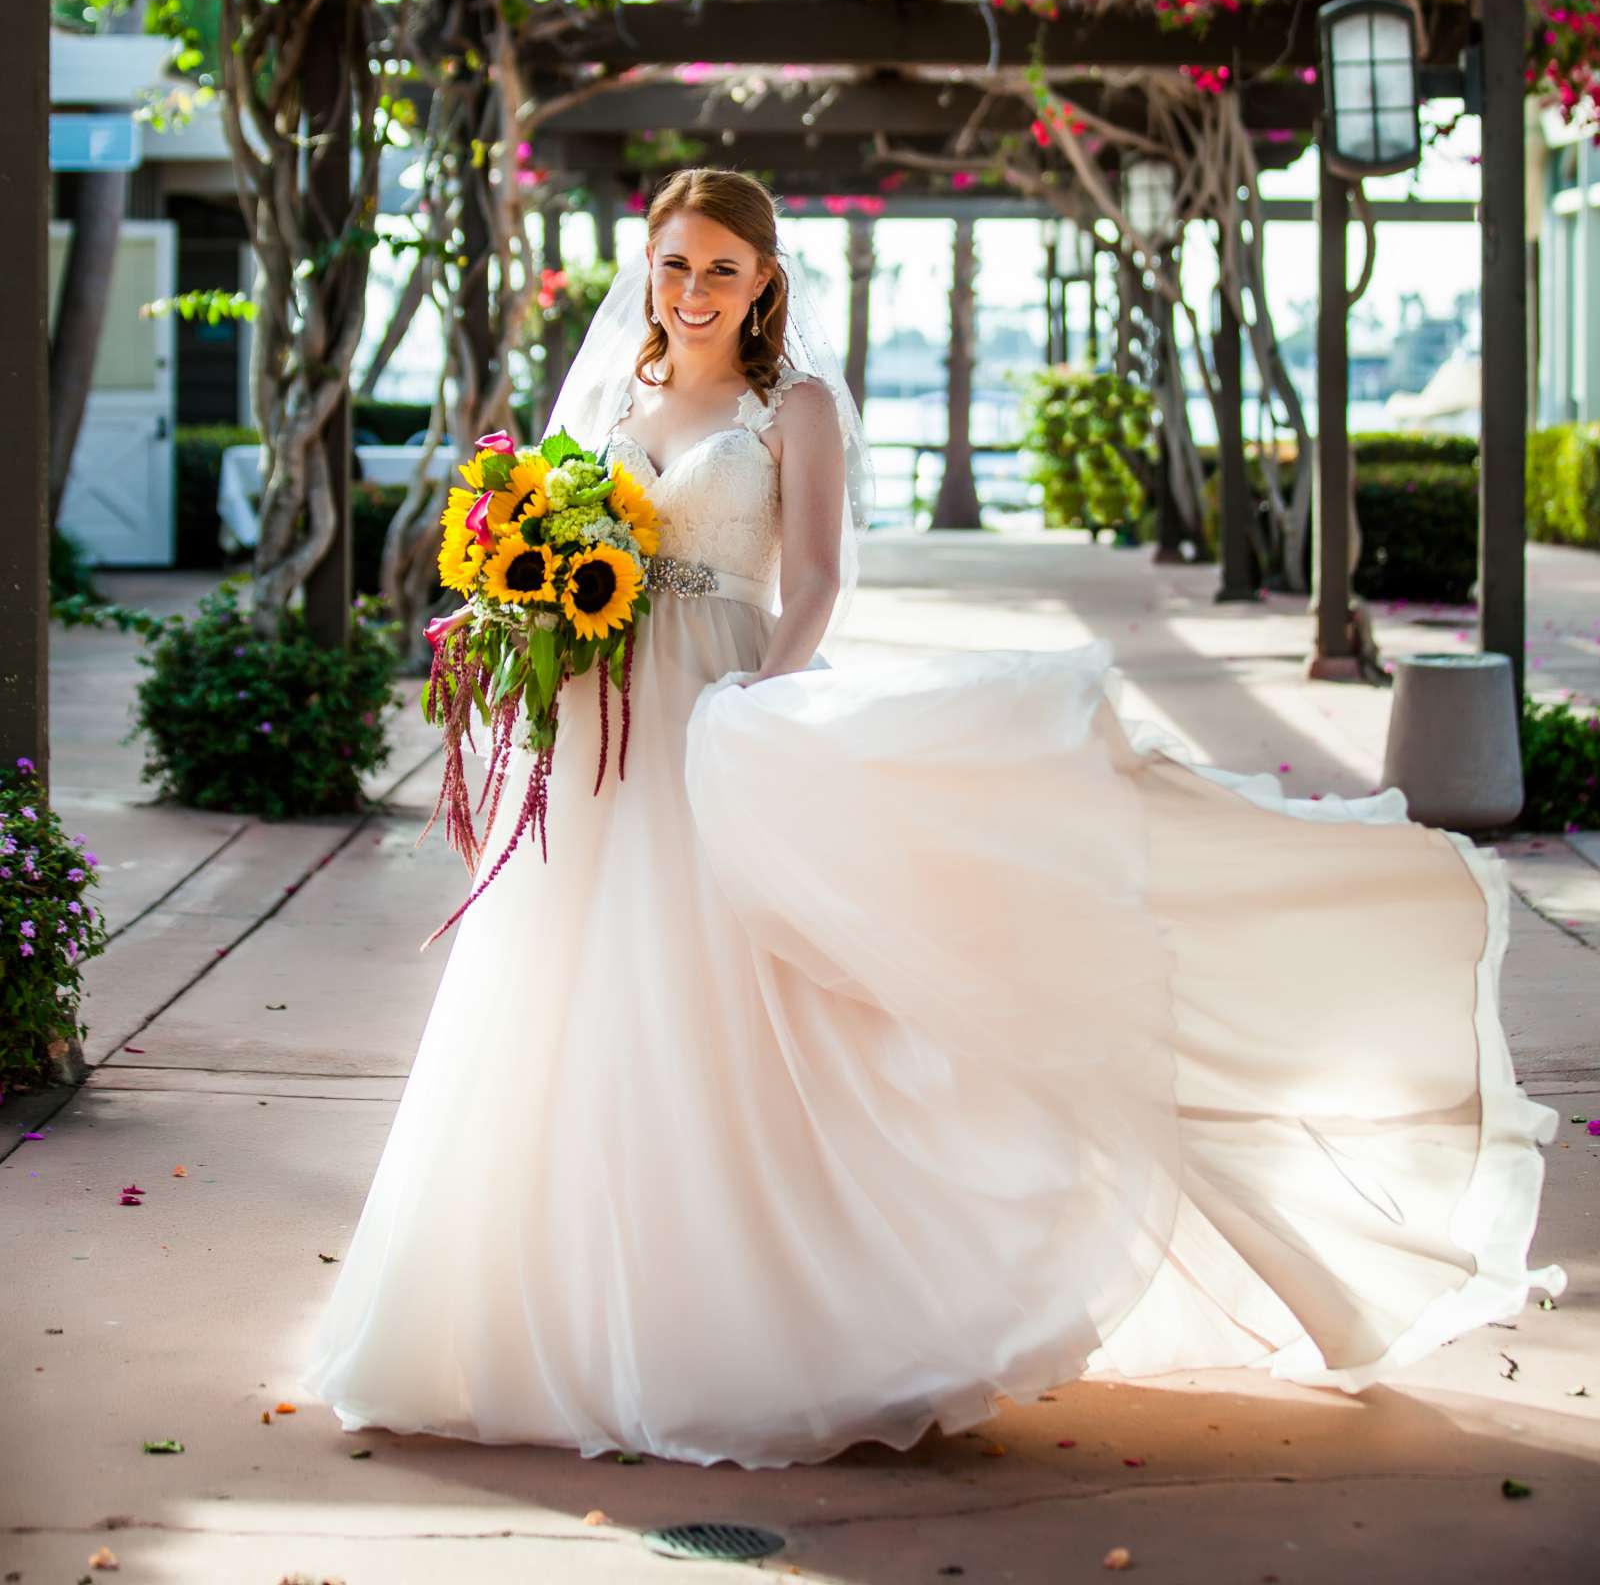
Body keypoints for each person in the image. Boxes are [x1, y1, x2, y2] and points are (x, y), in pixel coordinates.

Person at [301, 165, 1564, 1469]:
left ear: (765, 282)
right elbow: (544, 551)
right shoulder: (615, 397)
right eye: (675, 265)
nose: (691, 292)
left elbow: (820, 577)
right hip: (602, 731)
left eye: (721, 270)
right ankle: (537, 1308)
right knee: (573, 993)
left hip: (724, 701)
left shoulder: (794, 407)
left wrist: (755, 701)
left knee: (731, 991)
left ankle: (761, 1314)